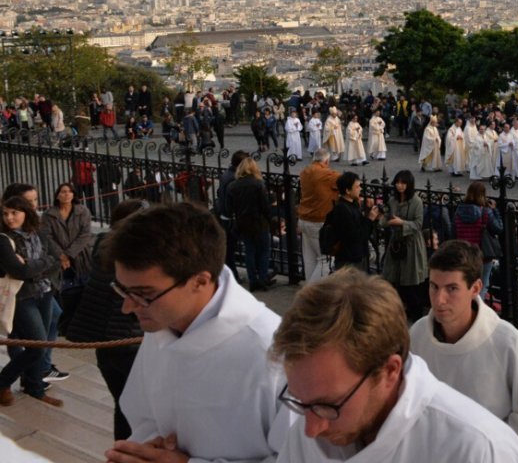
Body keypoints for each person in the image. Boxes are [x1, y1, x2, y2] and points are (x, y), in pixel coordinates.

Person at [271, 268, 518, 462]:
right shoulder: (307, 439)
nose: (311, 429)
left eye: (328, 406)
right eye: (299, 402)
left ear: (390, 371)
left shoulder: (478, 450)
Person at [103, 202, 289, 462]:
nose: (127, 307)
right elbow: (142, 416)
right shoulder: (162, 326)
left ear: (200, 281)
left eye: (144, 294)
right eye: (123, 290)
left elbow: (302, 456)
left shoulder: (276, 351)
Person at [409, 241, 518, 461]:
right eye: (434, 286)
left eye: (452, 288)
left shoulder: (508, 344)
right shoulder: (417, 337)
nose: (439, 299)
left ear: (475, 288)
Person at [64, 199, 148, 438]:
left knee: (122, 404)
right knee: (137, 409)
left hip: (103, 340)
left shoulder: (102, 242)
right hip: (126, 340)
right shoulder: (134, 255)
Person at [0, 195, 63, 408]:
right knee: (36, 346)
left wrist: (33, 266)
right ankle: (2, 382)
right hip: (22, 298)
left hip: (44, 292)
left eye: (14, 213)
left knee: (41, 344)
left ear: (26, 213)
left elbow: (56, 261)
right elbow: (18, 270)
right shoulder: (3, 240)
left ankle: (34, 387)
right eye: (6, 213)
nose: (9, 218)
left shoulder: (39, 234)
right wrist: (40, 265)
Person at [379, 170, 428, 323]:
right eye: (398, 183)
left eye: (403, 183)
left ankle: (416, 313)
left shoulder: (416, 202)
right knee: (394, 278)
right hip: (396, 243)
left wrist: (402, 223)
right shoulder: (393, 201)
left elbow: (418, 224)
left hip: (412, 244)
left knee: (411, 280)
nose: (400, 186)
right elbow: (385, 219)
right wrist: (383, 220)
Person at [227, 156, 274, 291]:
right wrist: (269, 218)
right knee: (264, 250)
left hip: (243, 222)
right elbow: (265, 206)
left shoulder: (232, 186)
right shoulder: (258, 184)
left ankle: (253, 280)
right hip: (259, 222)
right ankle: (262, 278)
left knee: (250, 251)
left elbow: (230, 208)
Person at [323, 171, 381, 272]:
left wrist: (370, 217)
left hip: (356, 256)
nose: (360, 189)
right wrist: (370, 219)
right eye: (357, 187)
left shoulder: (352, 204)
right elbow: (355, 236)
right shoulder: (342, 209)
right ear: (348, 190)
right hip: (349, 259)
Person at [453, 181, 504, 294]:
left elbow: (454, 229)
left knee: (466, 283)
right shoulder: (485, 211)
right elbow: (498, 228)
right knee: (482, 283)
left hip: (464, 252)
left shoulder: (459, 210)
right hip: (482, 253)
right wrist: (495, 210)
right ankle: (477, 308)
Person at [298, 149, 340, 282]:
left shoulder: (305, 171)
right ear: (326, 161)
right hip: (319, 220)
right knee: (326, 259)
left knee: (310, 259)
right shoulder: (326, 174)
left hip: (304, 218)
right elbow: (345, 181)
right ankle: (311, 293)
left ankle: (309, 289)